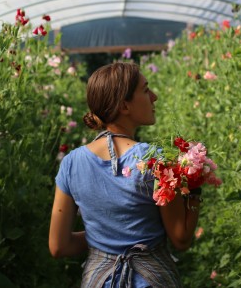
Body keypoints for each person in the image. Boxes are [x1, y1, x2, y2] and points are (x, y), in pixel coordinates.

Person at [49, 62, 202, 287]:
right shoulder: (155, 160)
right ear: (124, 106)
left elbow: (58, 246)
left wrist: (103, 235)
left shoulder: (71, 163)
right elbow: (180, 238)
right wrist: (196, 189)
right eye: (146, 90)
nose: (154, 97)